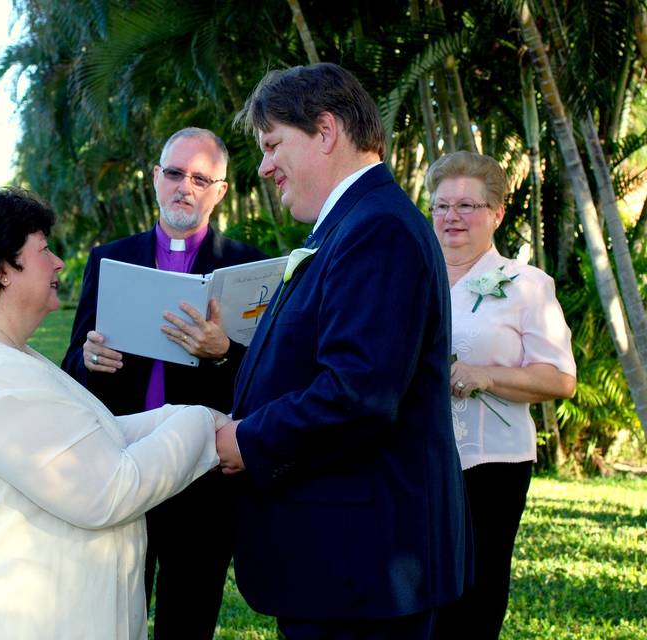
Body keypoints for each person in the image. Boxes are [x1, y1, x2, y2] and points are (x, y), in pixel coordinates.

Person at [0, 187, 227, 640]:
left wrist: (178, 415)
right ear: (1, 270)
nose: (59, 263)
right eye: (43, 249)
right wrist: (204, 425)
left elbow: (86, 436)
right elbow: (109, 491)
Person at [218, 62, 472, 639]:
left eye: (273, 143)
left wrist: (247, 439)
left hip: (364, 568)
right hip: (342, 564)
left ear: (325, 131)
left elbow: (359, 393)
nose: (264, 166)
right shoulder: (350, 225)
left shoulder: (376, 228)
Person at [61, 127, 265, 638]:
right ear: (155, 178)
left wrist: (223, 354)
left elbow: (268, 378)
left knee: (188, 613)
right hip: (120, 460)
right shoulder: (110, 257)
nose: (184, 187)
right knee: (112, 610)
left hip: (200, 469)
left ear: (219, 190)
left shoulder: (247, 265)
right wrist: (88, 359)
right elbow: (71, 361)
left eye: (200, 178)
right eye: (174, 173)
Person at [425, 151, 576, 639]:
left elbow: (560, 379)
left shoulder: (526, 286)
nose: (451, 217)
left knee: (475, 596)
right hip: (413, 460)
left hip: (490, 464)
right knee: (415, 592)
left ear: (498, 212)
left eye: (466, 205)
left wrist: (486, 375)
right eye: (441, 205)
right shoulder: (409, 281)